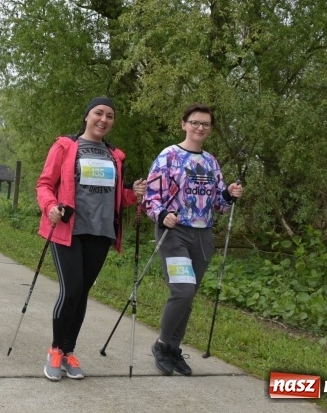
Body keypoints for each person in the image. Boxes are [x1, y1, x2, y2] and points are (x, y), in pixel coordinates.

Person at [36, 96, 146, 381]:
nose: (104, 119)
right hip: (67, 230)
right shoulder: (66, 146)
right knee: (71, 290)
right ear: (87, 116)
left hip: (100, 233)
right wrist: (50, 207)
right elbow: (45, 184)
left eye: (110, 115)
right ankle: (55, 350)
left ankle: (69, 351)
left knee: (82, 294)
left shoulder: (114, 156)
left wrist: (134, 192)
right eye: (99, 113)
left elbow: (115, 198)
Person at [143, 103, 243, 376]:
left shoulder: (211, 162)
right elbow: (150, 198)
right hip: (175, 233)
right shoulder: (169, 156)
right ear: (184, 124)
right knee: (183, 290)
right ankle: (162, 344)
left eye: (206, 124)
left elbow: (219, 204)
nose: (200, 128)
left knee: (190, 294)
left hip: (203, 235)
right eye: (195, 122)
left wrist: (229, 194)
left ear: (210, 129)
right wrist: (162, 214)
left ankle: (174, 349)